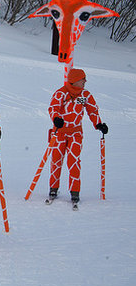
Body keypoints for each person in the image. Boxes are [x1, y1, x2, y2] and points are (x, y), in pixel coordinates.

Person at [48, 68, 107, 204]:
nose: (85, 81)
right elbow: (53, 107)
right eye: (83, 79)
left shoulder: (84, 95)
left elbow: (92, 110)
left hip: (75, 133)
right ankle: (53, 188)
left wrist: (98, 124)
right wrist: (56, 118)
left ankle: (75, 191)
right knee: (56, 160)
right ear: (75, 80)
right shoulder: (61, 93)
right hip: (60, 133)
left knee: (73, 161)